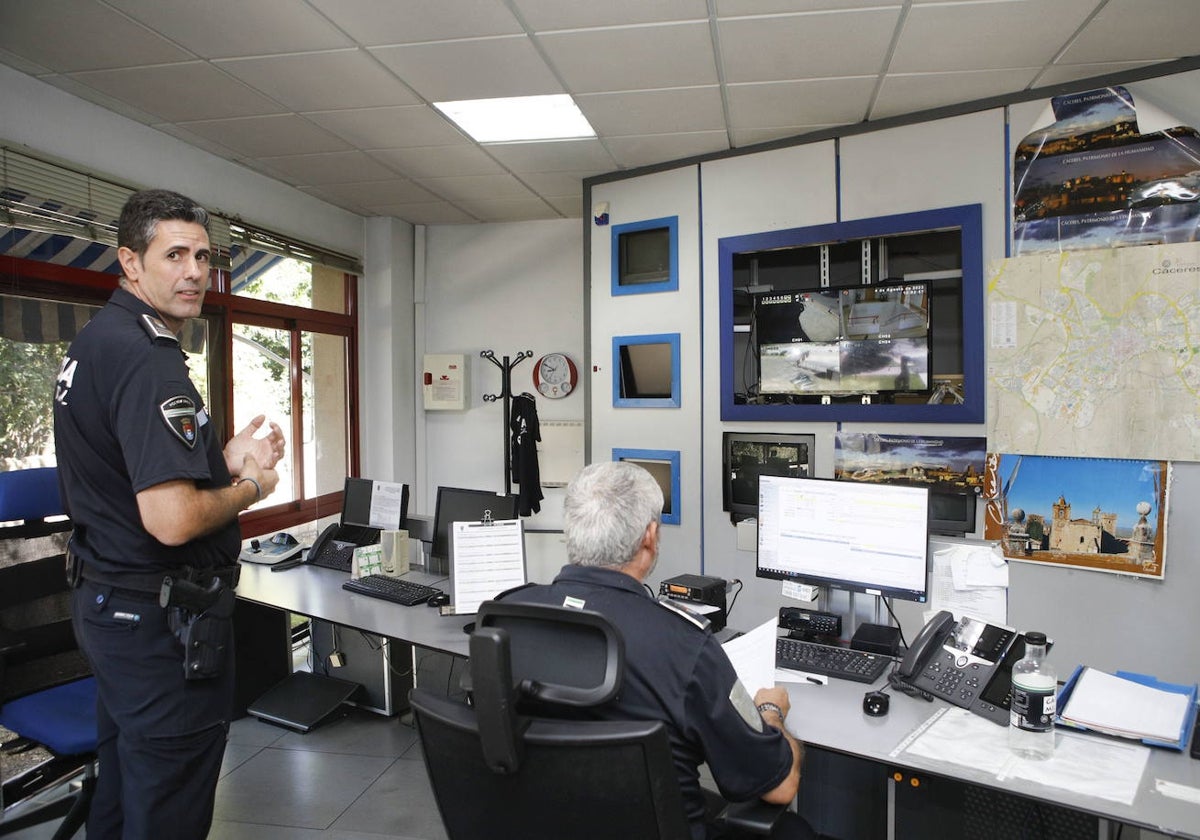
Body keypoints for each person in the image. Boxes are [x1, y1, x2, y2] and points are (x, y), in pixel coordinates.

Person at [52, 188, 285, 840]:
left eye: (203, 257)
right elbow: (172, 520)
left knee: (124, 792)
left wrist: (222, 457)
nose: (193, 272)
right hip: (157, 625)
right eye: (174, 254)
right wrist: (250, 484)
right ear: (131, 262)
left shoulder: (98, 341)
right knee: (168, 808)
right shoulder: (147, 359)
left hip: (110, 607)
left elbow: (128, 474)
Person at [503, 461, 815, 840]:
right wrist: (770, 710)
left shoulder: (507, 616)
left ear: (572, 531)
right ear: (650, 537)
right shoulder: (684, 645)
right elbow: (779, 786)